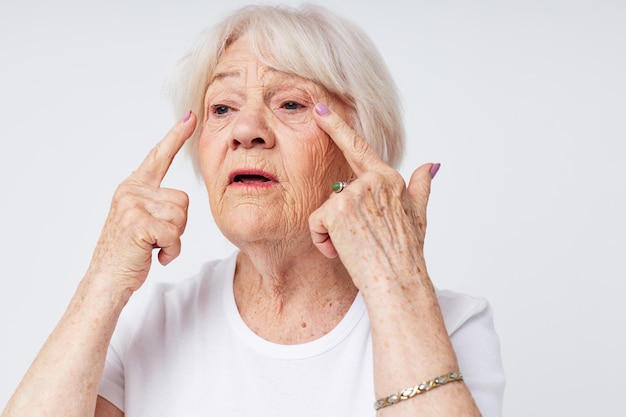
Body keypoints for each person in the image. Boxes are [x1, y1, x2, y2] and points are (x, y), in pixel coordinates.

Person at [1, 4, 504, 417]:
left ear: (360, 147)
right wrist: (103, 278)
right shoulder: (144, 321)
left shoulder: (451, 324)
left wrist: (395, 279)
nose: (246, 130)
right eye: (222, 108)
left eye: (290, 104)